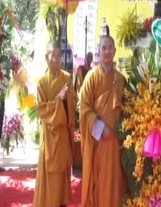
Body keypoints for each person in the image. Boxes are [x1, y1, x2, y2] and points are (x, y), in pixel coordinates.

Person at [79, 35, 126, 206]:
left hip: (116, 142)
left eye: (109, 48)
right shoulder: (91, 78)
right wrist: (100, 128)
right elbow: (84, 109)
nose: (106, 51)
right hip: (99, 142)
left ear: (115, 51)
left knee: (116, 182)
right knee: (99, 184)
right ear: (98, 51)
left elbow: (128, 110)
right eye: (103, 48)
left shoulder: (121, 80)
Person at [33, 42, 76, 207]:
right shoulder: (42, 82)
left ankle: (61, 203)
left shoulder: (67, 78)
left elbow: (73, 103)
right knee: (49, 175)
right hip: (49, 136)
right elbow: (42, 110)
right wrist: (58, 98)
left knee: (61, 175)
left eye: (58, 56)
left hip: (62, 134)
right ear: (47, 57)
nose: (56, 59)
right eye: (53, 55)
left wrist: (65, 100)